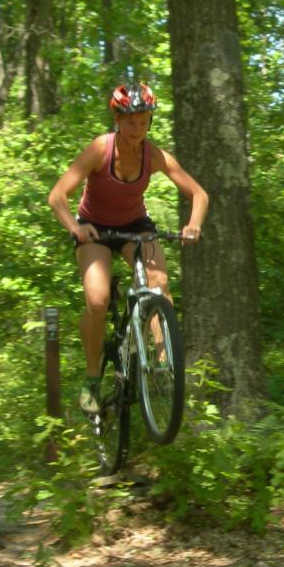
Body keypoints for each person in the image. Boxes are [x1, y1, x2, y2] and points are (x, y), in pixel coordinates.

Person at [48, 83, 208, 414]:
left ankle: (165, 366)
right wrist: (75, 228)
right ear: (118, 119)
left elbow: (199, 194)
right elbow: (57, 196)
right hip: (95, 228)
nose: (137, 128)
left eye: (144, 120)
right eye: (130, 120)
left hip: (135, 226)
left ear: (150, 120)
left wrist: (194, 224)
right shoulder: (100, 150)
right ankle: (92, 379)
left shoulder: (155, 156)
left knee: (159, 286)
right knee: (97, 300)